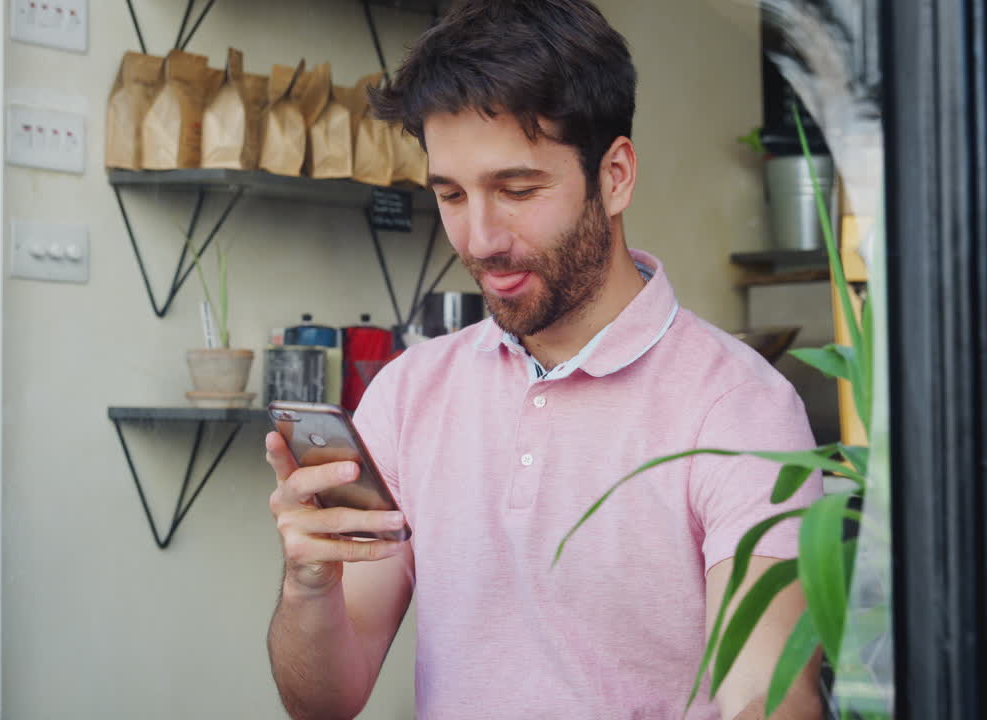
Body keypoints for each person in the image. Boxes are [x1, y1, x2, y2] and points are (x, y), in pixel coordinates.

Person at [265, 1, 824, 718]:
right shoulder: (407, 395)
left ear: (615, 175)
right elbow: (324, 703)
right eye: (452, 195)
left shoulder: (740, 407)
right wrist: (306, 585)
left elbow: (771, 698)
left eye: (518, 190)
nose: (481, 238)